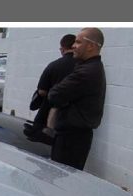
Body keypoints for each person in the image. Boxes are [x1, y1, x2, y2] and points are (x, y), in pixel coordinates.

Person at [48, 28, 106, 170]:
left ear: (91, 46)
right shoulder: (88, 67)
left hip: (71, 140)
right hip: (74, 137)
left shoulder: (86, 72)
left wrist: (62, 99)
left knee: (61, 180)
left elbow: (54, 95)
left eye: (78, 42)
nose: (73, 45)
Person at [30, 34, 77, 135]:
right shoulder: (84, 66)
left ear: (62, 48)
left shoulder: (54, 65)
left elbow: (42, 91)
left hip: (49, 114)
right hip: (74, 119)